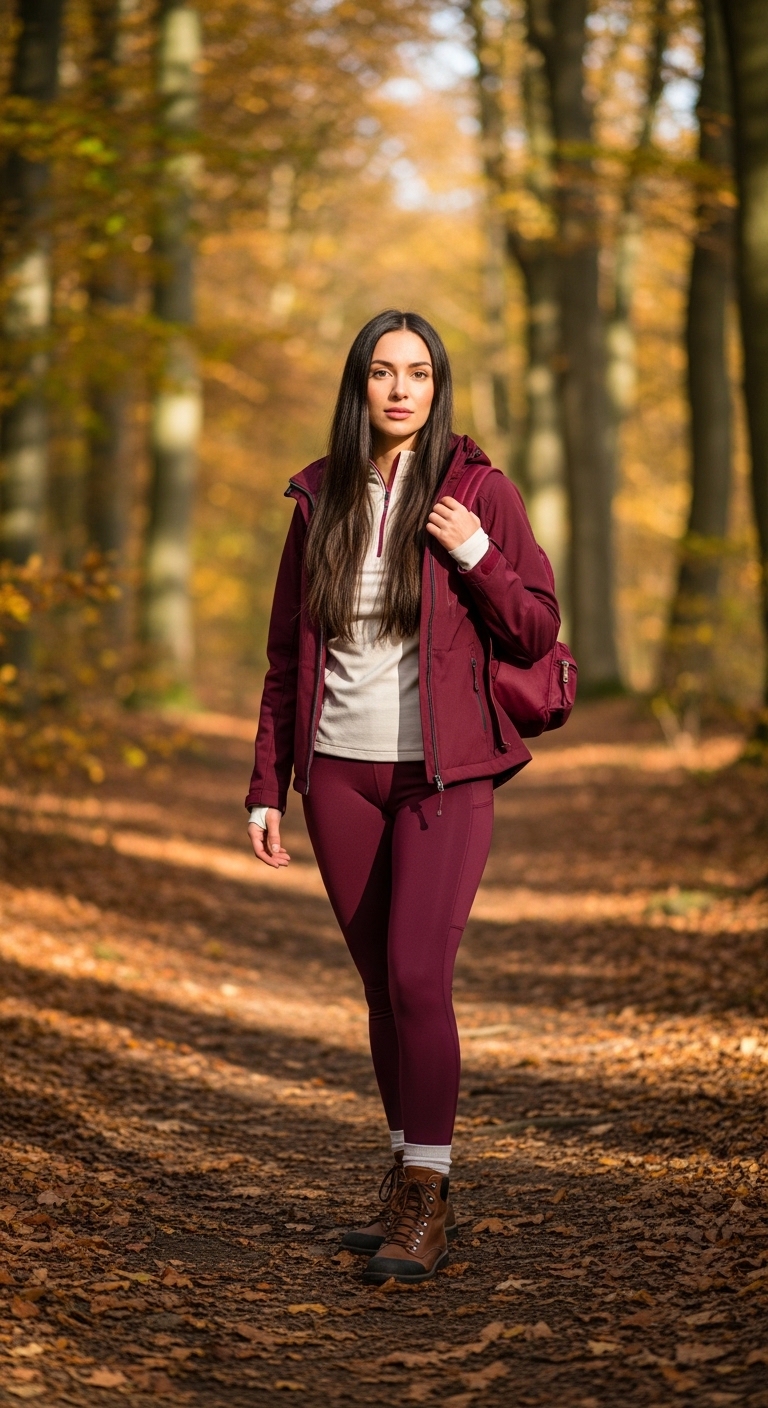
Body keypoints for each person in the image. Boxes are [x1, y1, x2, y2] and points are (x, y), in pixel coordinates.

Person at [245, 309, 560, 1285]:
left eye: (417, 373)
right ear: (360, 386)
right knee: (381, 983)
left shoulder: (479, 490)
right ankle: (404, 1170)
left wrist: (476, 553)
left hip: (443, 773)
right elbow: (286, 658)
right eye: (382, 372)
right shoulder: (320, 497)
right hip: (337, 773)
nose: (399, 389)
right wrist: (267, 784)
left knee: (421, 978)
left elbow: (538, 631)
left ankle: (428, 1192)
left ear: (437, 386)